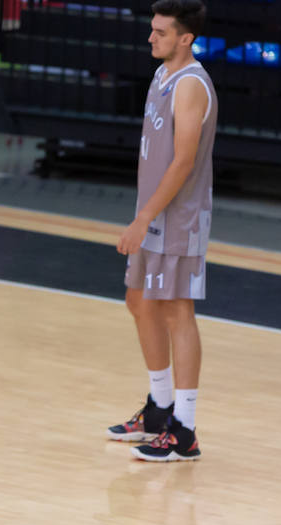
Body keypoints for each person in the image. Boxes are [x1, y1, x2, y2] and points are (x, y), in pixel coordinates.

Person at [110, 0, 216, 462]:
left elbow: (184, 162)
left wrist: (142, 218)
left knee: (176, 310)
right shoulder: (161, 75)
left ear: (185, 38)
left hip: (177, 218)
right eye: (152, 30)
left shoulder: (191, 85)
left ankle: (185, 430)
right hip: (153, 213)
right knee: (139, 302)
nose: (151, 38)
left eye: (160, 33)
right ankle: (159, 409)